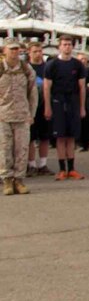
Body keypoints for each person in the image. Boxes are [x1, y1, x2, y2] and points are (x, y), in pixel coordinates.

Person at [42, 35, 87, 180]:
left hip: (73, 101)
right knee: (60, 137)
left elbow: (82, 87)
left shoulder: (78, 65)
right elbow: (46, 87)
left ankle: (72, 168)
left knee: (71, 136)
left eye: (69, 44)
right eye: (64, 44)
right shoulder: (52, 65)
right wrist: (47, 107)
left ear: (72, 46)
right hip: (57, 101)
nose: (67, 47)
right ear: (59, 46)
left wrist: (82, 107)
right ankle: (62, 169)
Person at [1, 41, 37, 195]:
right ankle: (7, 181)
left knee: (21, 149)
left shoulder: (26, 69)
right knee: (4, 149)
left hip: (22, 115)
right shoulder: (1, 68)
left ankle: (19, 180)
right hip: (3, 115)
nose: (15, 52)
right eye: (12, 49)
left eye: (17, 49)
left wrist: (31, 113)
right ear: (4, 50)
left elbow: (33, 93)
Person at [26, 43, 52, 176]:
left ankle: (42, 164)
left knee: (44, 136)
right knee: (30, 137)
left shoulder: (47, 67)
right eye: (35, 51)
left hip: (44, 106)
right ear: (29, 53)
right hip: (29, 107)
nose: (38, 53)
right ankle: (31, 164)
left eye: (40, 51)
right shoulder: (25, 68)